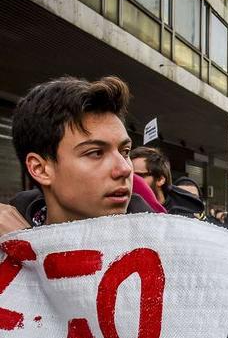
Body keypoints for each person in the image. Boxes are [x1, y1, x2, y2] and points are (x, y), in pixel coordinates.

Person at [1, 75, 154, 236]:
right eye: (96, 153)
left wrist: (26, 248)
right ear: (40, 169)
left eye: (125, 152)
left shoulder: (167, 248)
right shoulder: (6, 236)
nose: (125, 169)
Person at [130, 146, 204, 217]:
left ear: (160, 179)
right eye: (128, 176)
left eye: (138, 176)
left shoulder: (185, 219)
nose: (131, 181)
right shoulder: (124, 210)